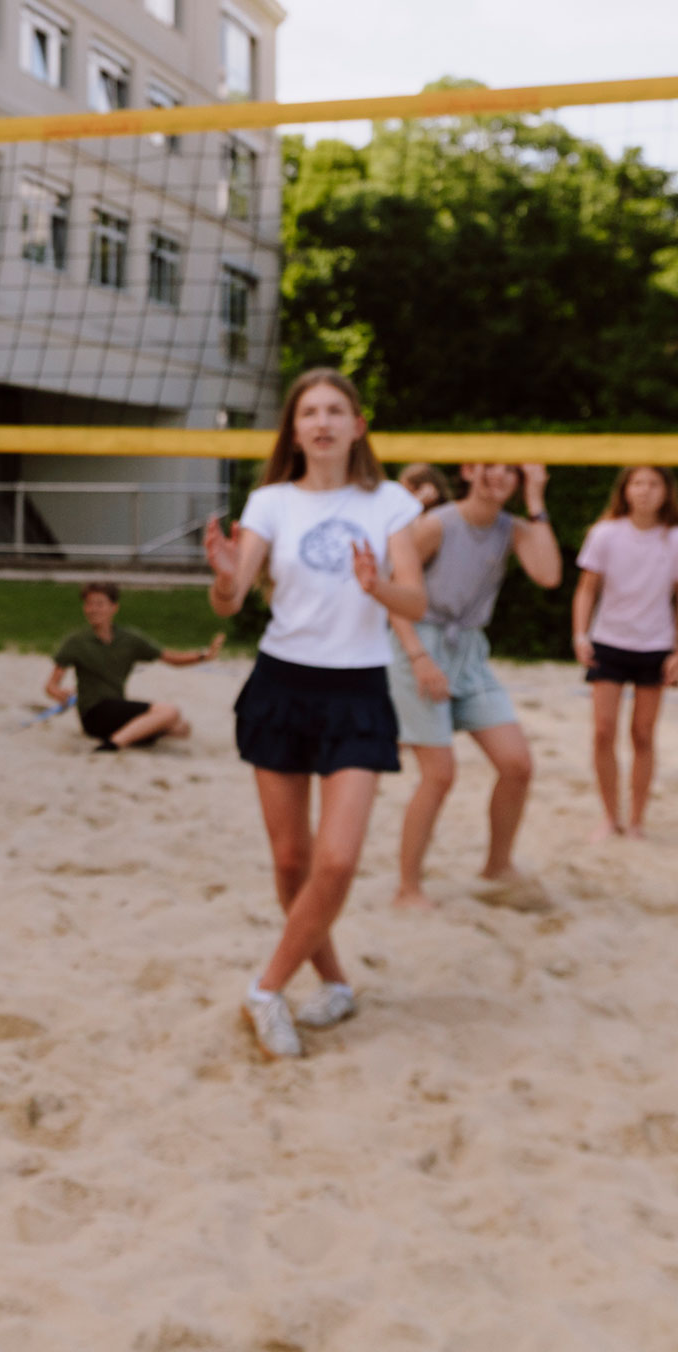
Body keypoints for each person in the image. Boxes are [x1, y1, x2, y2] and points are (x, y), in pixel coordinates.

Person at [201, 369, 426, 1060]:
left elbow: (415, 604)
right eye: (310, 412)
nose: (323, 422)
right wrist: (223, 575)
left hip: (357, 691)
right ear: (294, 429)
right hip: (282, 684)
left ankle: (266, 988)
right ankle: (333, 983)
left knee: (337, 860)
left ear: (358, 426)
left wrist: (377, 585)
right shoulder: (269, 502)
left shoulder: (390, 502)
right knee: (293, 859)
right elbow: (233, 601)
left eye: (336, 410)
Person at [386, 463, 561, 909]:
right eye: (489, 467)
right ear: (468, 470)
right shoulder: (437, 525)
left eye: (510, 471)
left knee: (517, 764)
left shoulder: (513, 528)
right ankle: (408, 887)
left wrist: (537, 500)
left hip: (468, 651)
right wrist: (419, 658)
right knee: (440, 774)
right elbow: (393, 594)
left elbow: (548, 575)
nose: (498, 477)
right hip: (420, 642)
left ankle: (497, 866)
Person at [572, 466, 678, 841]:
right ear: (625, 490)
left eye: (653, 483)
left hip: (655, 645)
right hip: (609, 641)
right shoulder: (605, 533)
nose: (644, 491)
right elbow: (585, 589)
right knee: (602, 731)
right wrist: (581, 634)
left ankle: (637, 822)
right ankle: (610, 817)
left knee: (642, 734)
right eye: (637, 483)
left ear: (667, 491)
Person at [44, 580, 223, 749]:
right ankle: (112, 745)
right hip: (93, 712)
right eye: (89, 604)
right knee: (170, 712)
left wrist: (203, 656)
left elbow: (170, 658)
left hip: (117, 708)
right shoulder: (76, 641)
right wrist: (60, 693)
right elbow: (51, 685)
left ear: (114, 607)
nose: (93, 609)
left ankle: (121, 737)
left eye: (99, 604)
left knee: (181, 729)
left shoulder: (128, 638)